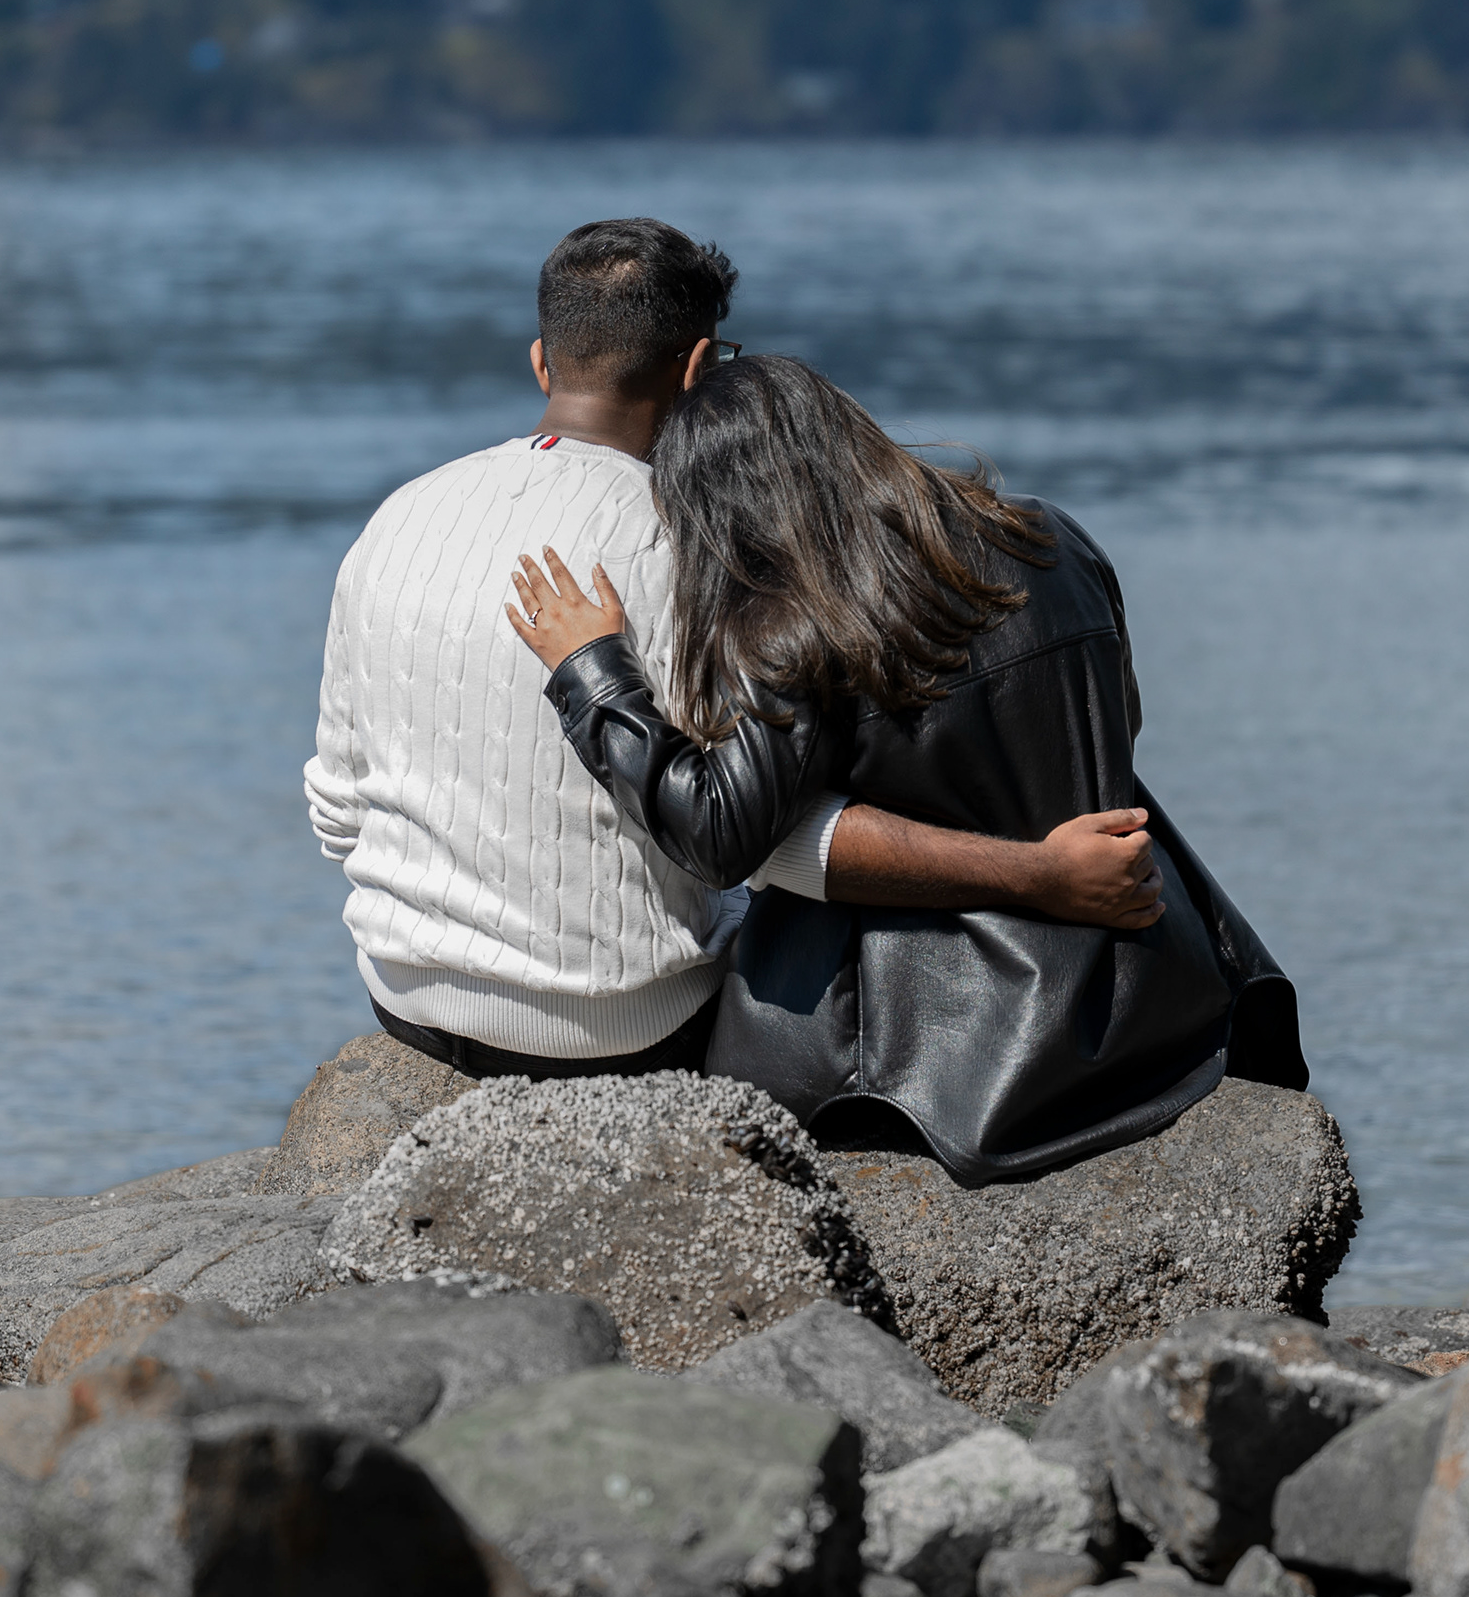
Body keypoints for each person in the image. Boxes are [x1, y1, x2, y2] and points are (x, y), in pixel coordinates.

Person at [305, 220, 1169, 1082]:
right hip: (624, 1027)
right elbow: (755, 839)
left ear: (541, 362)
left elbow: (338, 814)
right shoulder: (711, 550)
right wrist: (1036, 873)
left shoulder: (395, 520)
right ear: (699, 368)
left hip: (406, 997)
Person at [503, 352, 1307, 1181]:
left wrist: (595, 671)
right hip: (1143, 990)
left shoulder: (798, 626)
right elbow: (1119, 723)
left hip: (965, 1062)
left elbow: (717, 834)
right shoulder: (1050, 534)